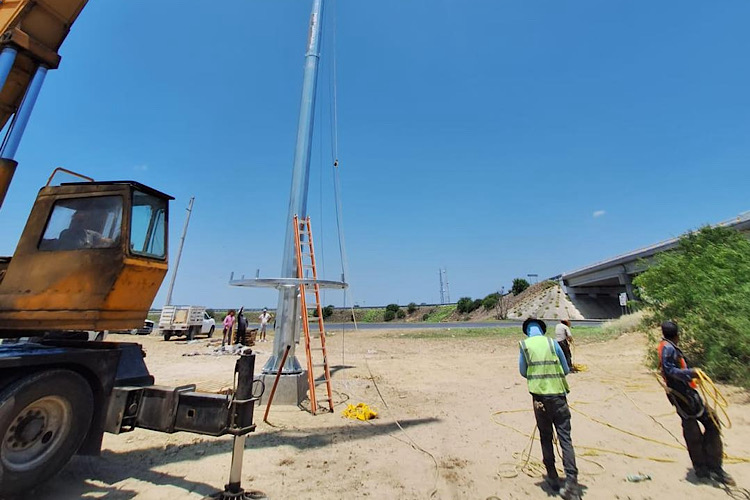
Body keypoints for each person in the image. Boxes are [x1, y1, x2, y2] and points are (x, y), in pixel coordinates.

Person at [658, 321, 735, 485]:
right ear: (677, 335)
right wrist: (691, 373)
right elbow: (669, 370)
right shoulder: (669, 349)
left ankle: (705, 467)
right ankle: (711, 468)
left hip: (685, 395)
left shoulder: (666, 346)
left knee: (702, 425)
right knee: (705, 425)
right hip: (683, 396)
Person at [519, 318, 580, 500]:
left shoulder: (524, 345)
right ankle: (571, 482)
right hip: (559, 396)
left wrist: (537, 376)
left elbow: (523, 371)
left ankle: (552, 476)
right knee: (565, 439)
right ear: (542, 329)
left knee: (545, 437)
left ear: (527, 331)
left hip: (540, 399)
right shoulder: (552, 343)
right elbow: (566, 369)